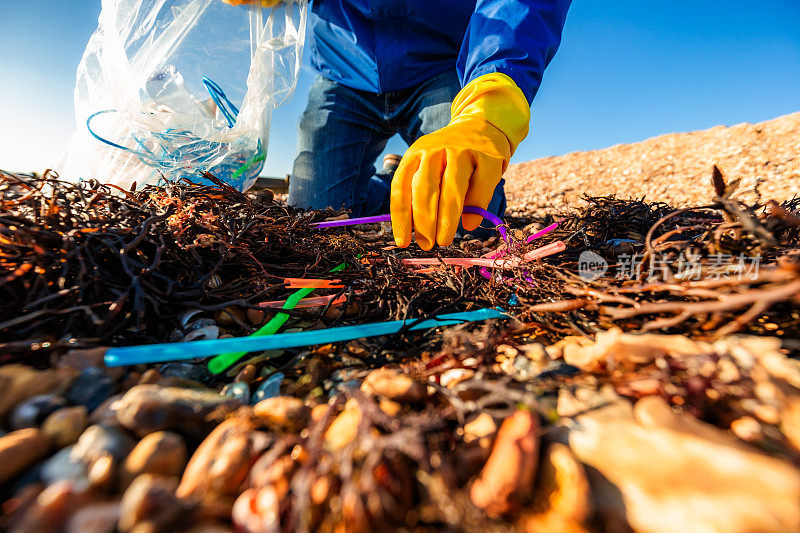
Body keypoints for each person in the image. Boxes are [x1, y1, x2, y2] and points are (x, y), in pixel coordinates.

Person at [226, 0, 571, 250]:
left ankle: (434, 182)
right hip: (344, 70)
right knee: (314, 221)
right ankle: (392, 184)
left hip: (439, 62)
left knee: (467, 223)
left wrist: (488, 101)